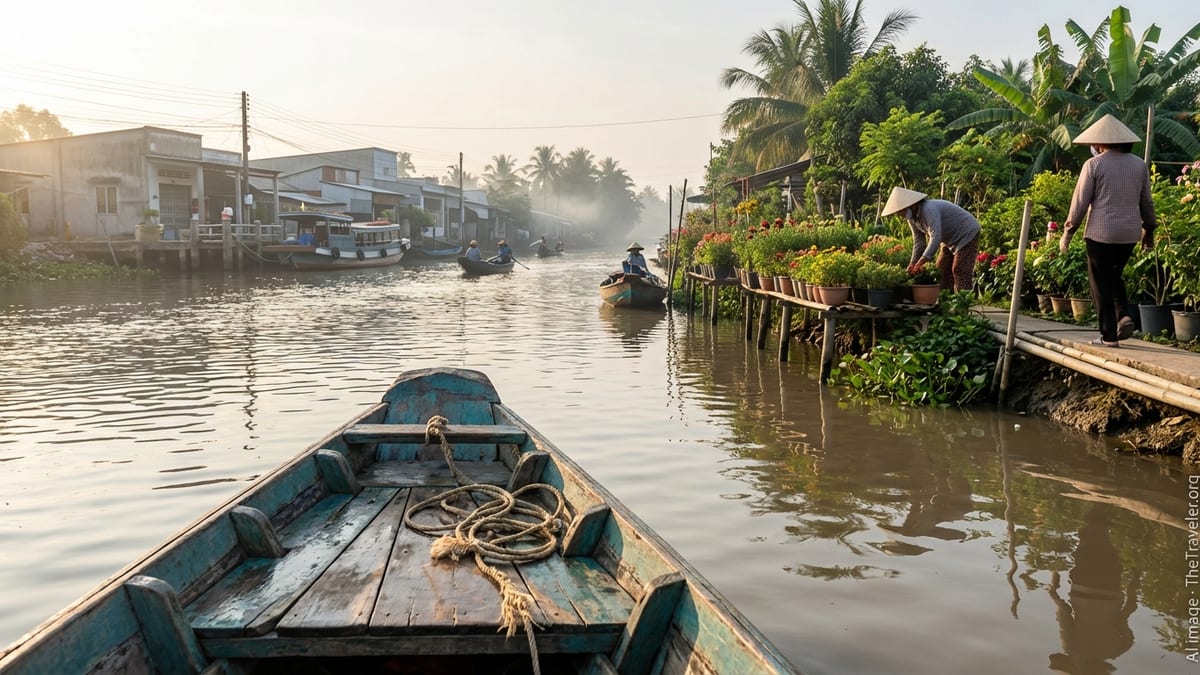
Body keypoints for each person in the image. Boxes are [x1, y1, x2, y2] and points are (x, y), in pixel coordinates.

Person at [1059, 113, 1156, 348]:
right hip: (1129, 233)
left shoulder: (1093, 165)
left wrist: (1068, 232)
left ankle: (1109, 336)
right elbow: (1146, 202)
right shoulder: (1139, 165)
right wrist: (1149, 231)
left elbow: (1080, 201)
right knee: (1112, 275)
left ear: (1099, 142)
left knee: (1099, 283)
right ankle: (1123, 315)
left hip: (1100, 233)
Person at [882, 187, 982, 292]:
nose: (899, 214)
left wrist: (922, 261)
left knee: (959, 269)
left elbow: (935, 237)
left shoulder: (928, 209)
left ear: (911, 204)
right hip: (948, 239)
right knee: (940, 271)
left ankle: (965, 302)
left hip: (967, 232)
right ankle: (945, 301)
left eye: (900, 210)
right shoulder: (912, 219)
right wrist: (912, 264)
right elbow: (919, 242)